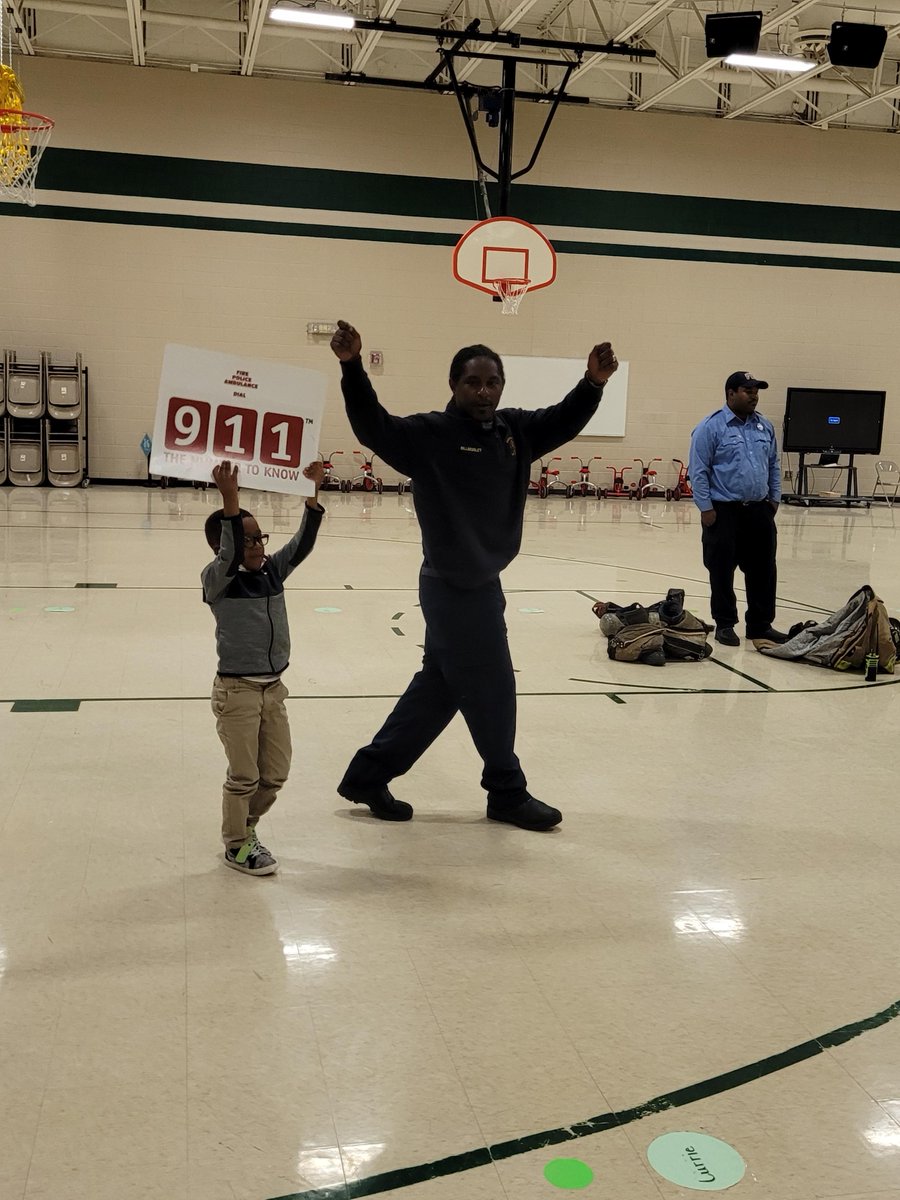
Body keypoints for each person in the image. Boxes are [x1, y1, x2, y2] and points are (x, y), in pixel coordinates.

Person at [330, 320, 618, 831]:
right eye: (473, 383)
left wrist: (592, 383)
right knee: (493, 686)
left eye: (492, 382)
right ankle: (506, 791)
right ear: (453, 386)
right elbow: (373, 425)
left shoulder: (514, 431)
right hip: (452, 587)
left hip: (481, 582)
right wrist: (352, 367)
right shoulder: (429, 436)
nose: (484, 392)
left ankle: (368, 775)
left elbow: (563, 419)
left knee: (441, 687)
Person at [202, 459, 325, 875]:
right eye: (248, 540)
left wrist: (313, 493)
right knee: (243, 775)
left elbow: (302, 545)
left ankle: (247, 827)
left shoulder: (272, 570)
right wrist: (230, 499)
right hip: (236, 692)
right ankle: (236, 845)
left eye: (260, 539)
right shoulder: (218, 579)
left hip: (273, 690)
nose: (257, 547)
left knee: (274, 774)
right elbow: (231, 549)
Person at [688, 371, 788, 647]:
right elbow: (698, 471)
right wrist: (706, 508)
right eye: (748, 390)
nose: (754, 395)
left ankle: (760, 625)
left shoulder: (764, 427)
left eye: (756, 391)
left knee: (764, 570)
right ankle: (725, 624)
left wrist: (774, 500)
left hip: (759, 511)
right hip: (723, 511)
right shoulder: (710, 427)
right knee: (721, 570)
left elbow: (773, 466)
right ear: (730, 393)